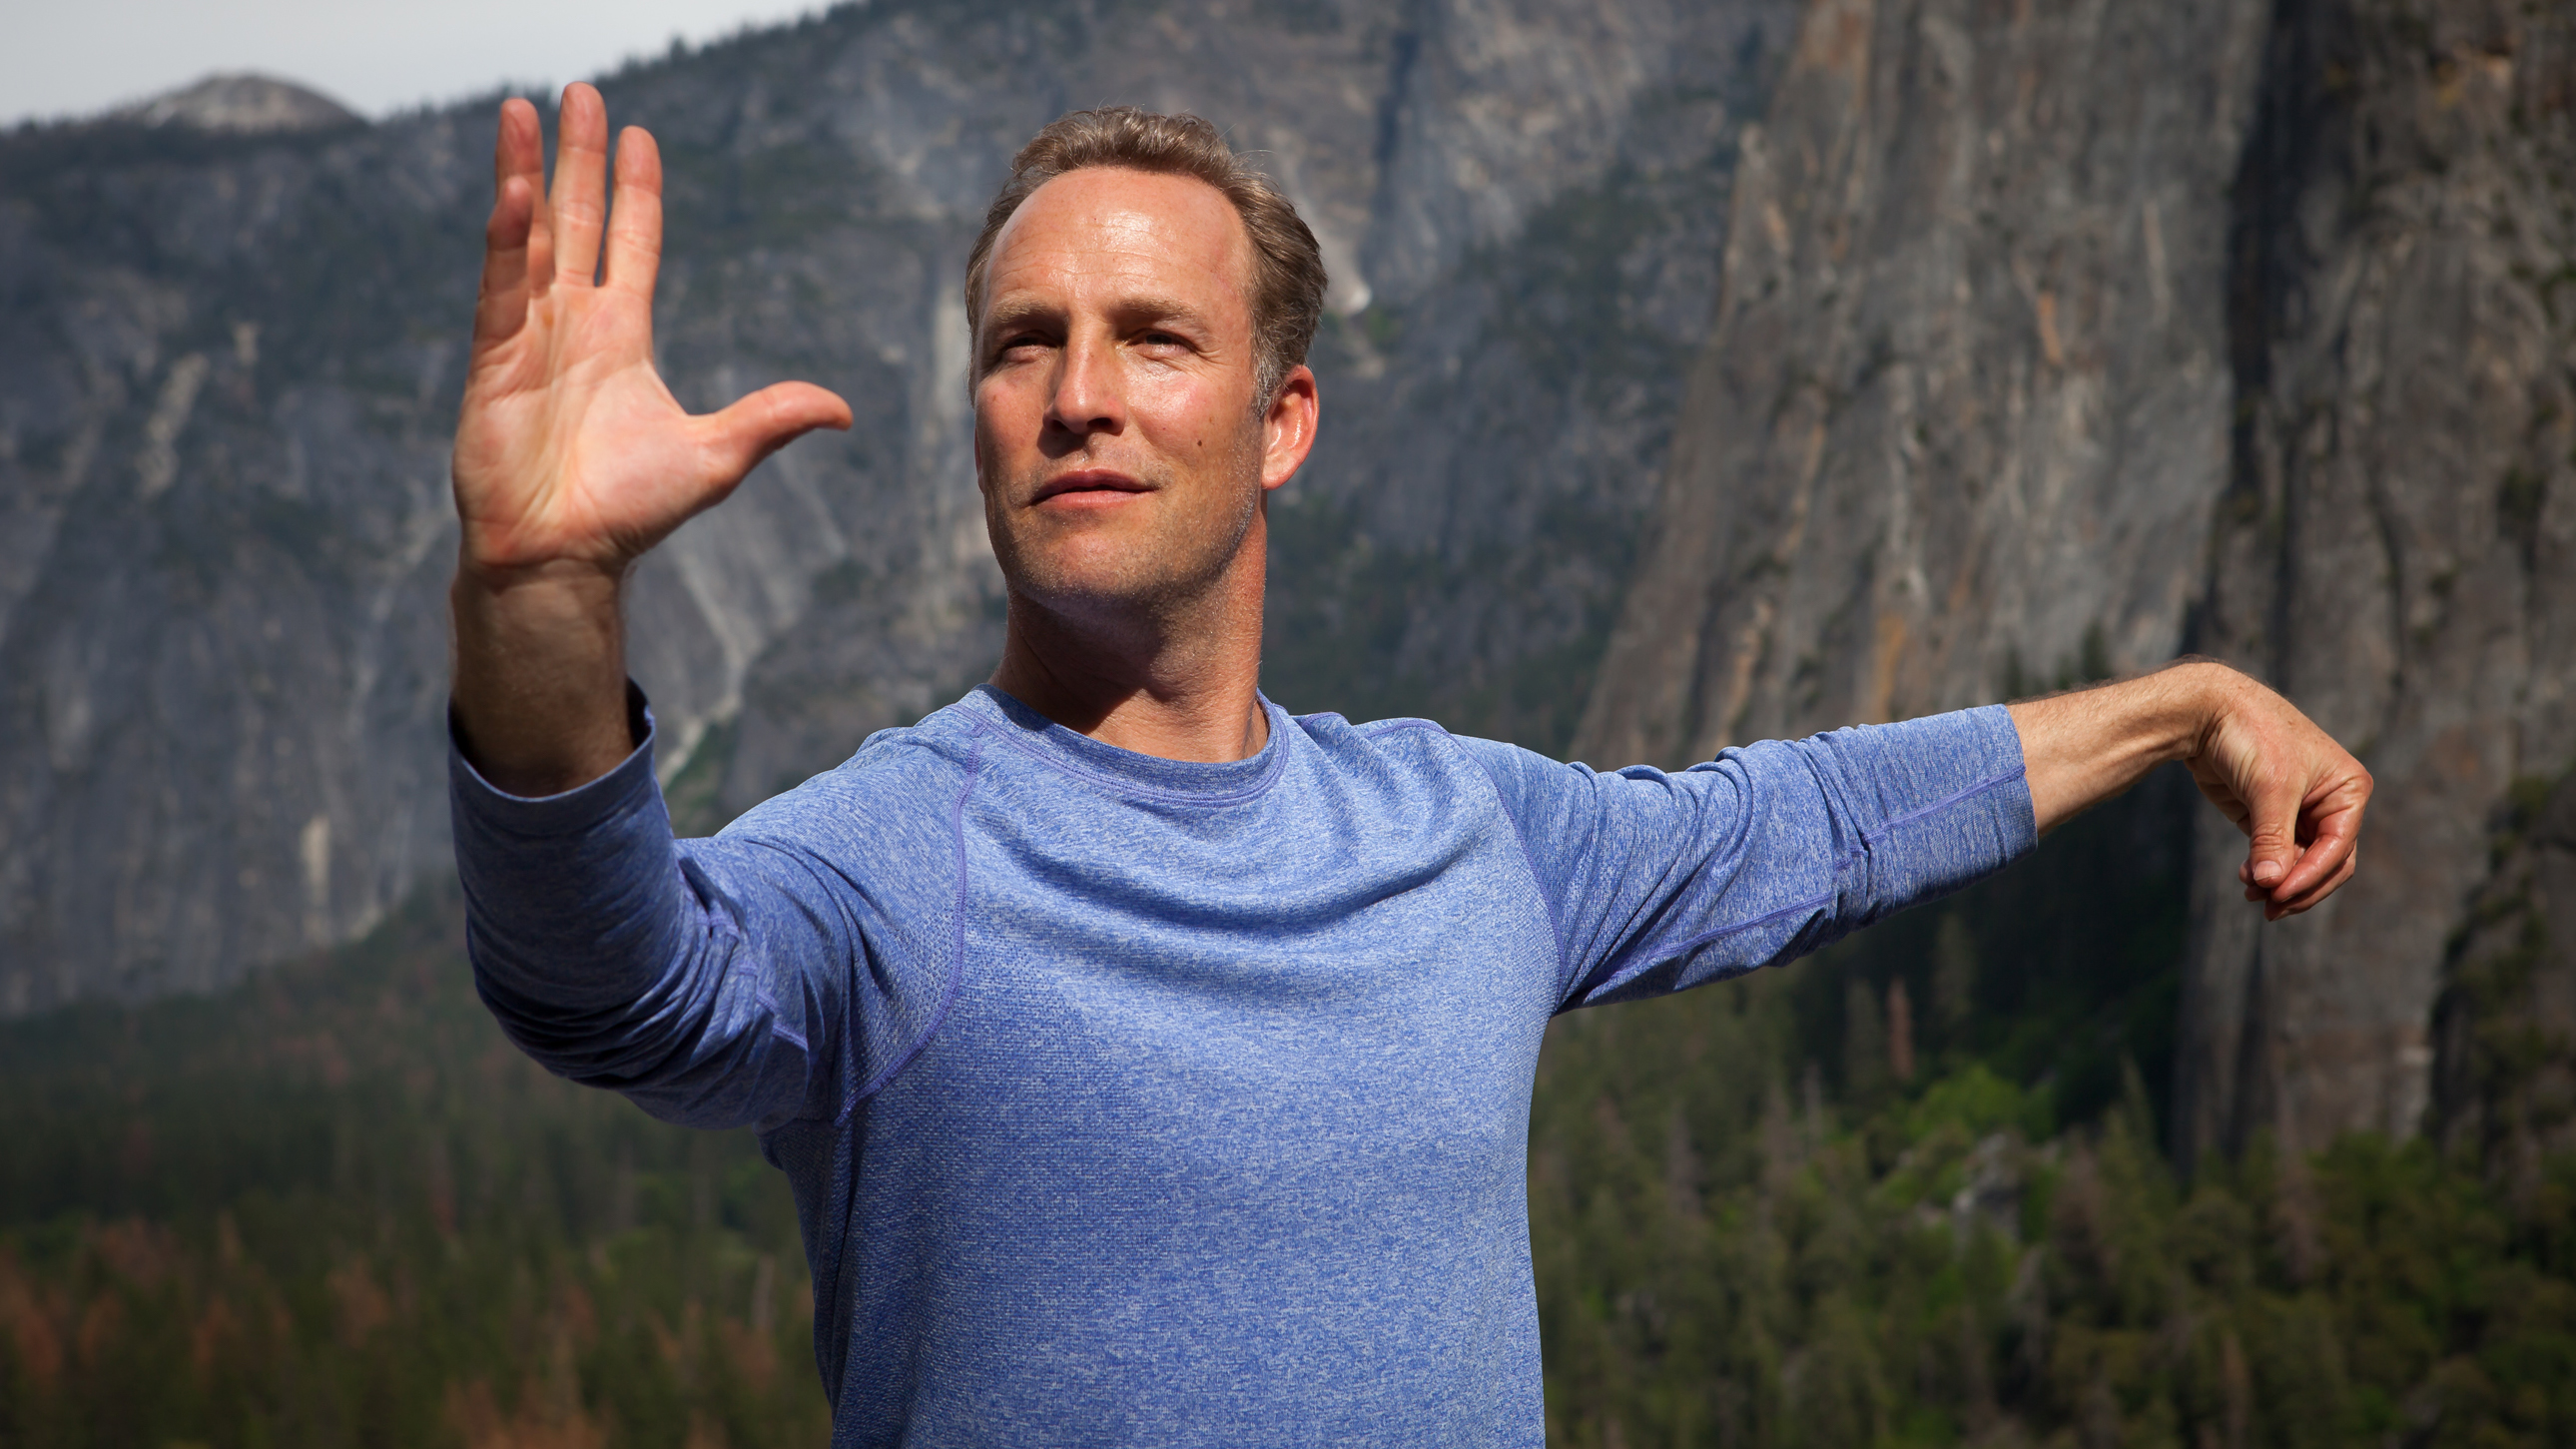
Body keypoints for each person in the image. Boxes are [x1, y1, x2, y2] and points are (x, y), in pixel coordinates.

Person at [447, 84, 2369, 1447]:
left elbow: (1812, 824)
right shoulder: (900, 856)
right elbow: (608, 987)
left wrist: (2186, 702)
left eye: (1152, 339)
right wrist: (540, 591)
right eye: (1023, 344)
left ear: (1284, 421)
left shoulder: (1463, 833)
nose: (1080, 392)